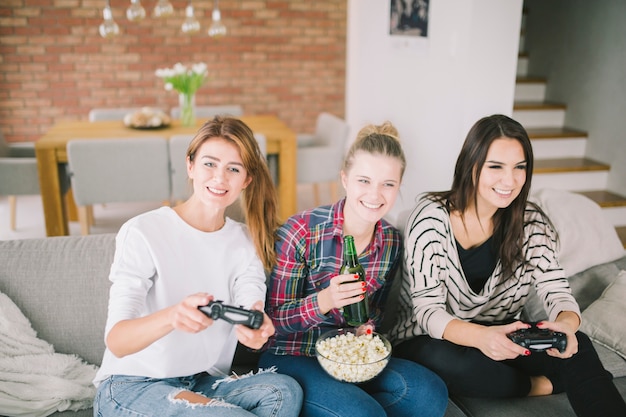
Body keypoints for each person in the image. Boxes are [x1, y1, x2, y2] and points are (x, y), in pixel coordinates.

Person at [389, 114, 626, 416]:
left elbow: (557, 291)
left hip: (504, 333)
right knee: (447, 361)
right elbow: (427, 311)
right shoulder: (430, 218)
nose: (509, 180)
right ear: (471, 166)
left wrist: (565, 325)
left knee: (576, 343)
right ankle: (538, 386)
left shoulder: (532, 222)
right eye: (496, 167)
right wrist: (482, 338)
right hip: (431, 338)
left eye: (519, 167)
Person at [93, 116, 303, 417]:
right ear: (190, 166)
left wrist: (255, 330)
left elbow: (251, 303)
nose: (220, 178)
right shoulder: (143, 231)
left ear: (246, 179)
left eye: (233, 168)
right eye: (209, 164)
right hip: (132, 385)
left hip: (201, 382)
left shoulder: (247, 240)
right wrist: (172, 316)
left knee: (283, 392)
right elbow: (117, 341)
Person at [259, 121, 449, 417]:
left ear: (399, 186)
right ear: (345, 179)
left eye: (388, 184)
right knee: (364, 414)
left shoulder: (391, 242)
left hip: (351, 356)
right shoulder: (301, 231)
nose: (375, 195)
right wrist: (326, 300)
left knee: (428, 393)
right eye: (364, 181)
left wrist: (367, 326)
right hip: (292, 354)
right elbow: (272, 323)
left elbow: (377, 313)